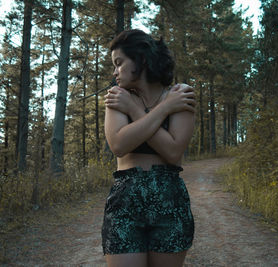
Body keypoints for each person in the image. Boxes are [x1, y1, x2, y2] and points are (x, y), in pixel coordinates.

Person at [102, 29, 196, 267]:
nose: (115, 72)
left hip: (168, 197)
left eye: (119, 63)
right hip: (126, 197)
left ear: (141, 60)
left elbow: (174, 153)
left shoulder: (179, 94)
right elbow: (119, 144)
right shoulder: (117, 97)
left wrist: (135, 111)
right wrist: (164, 109)